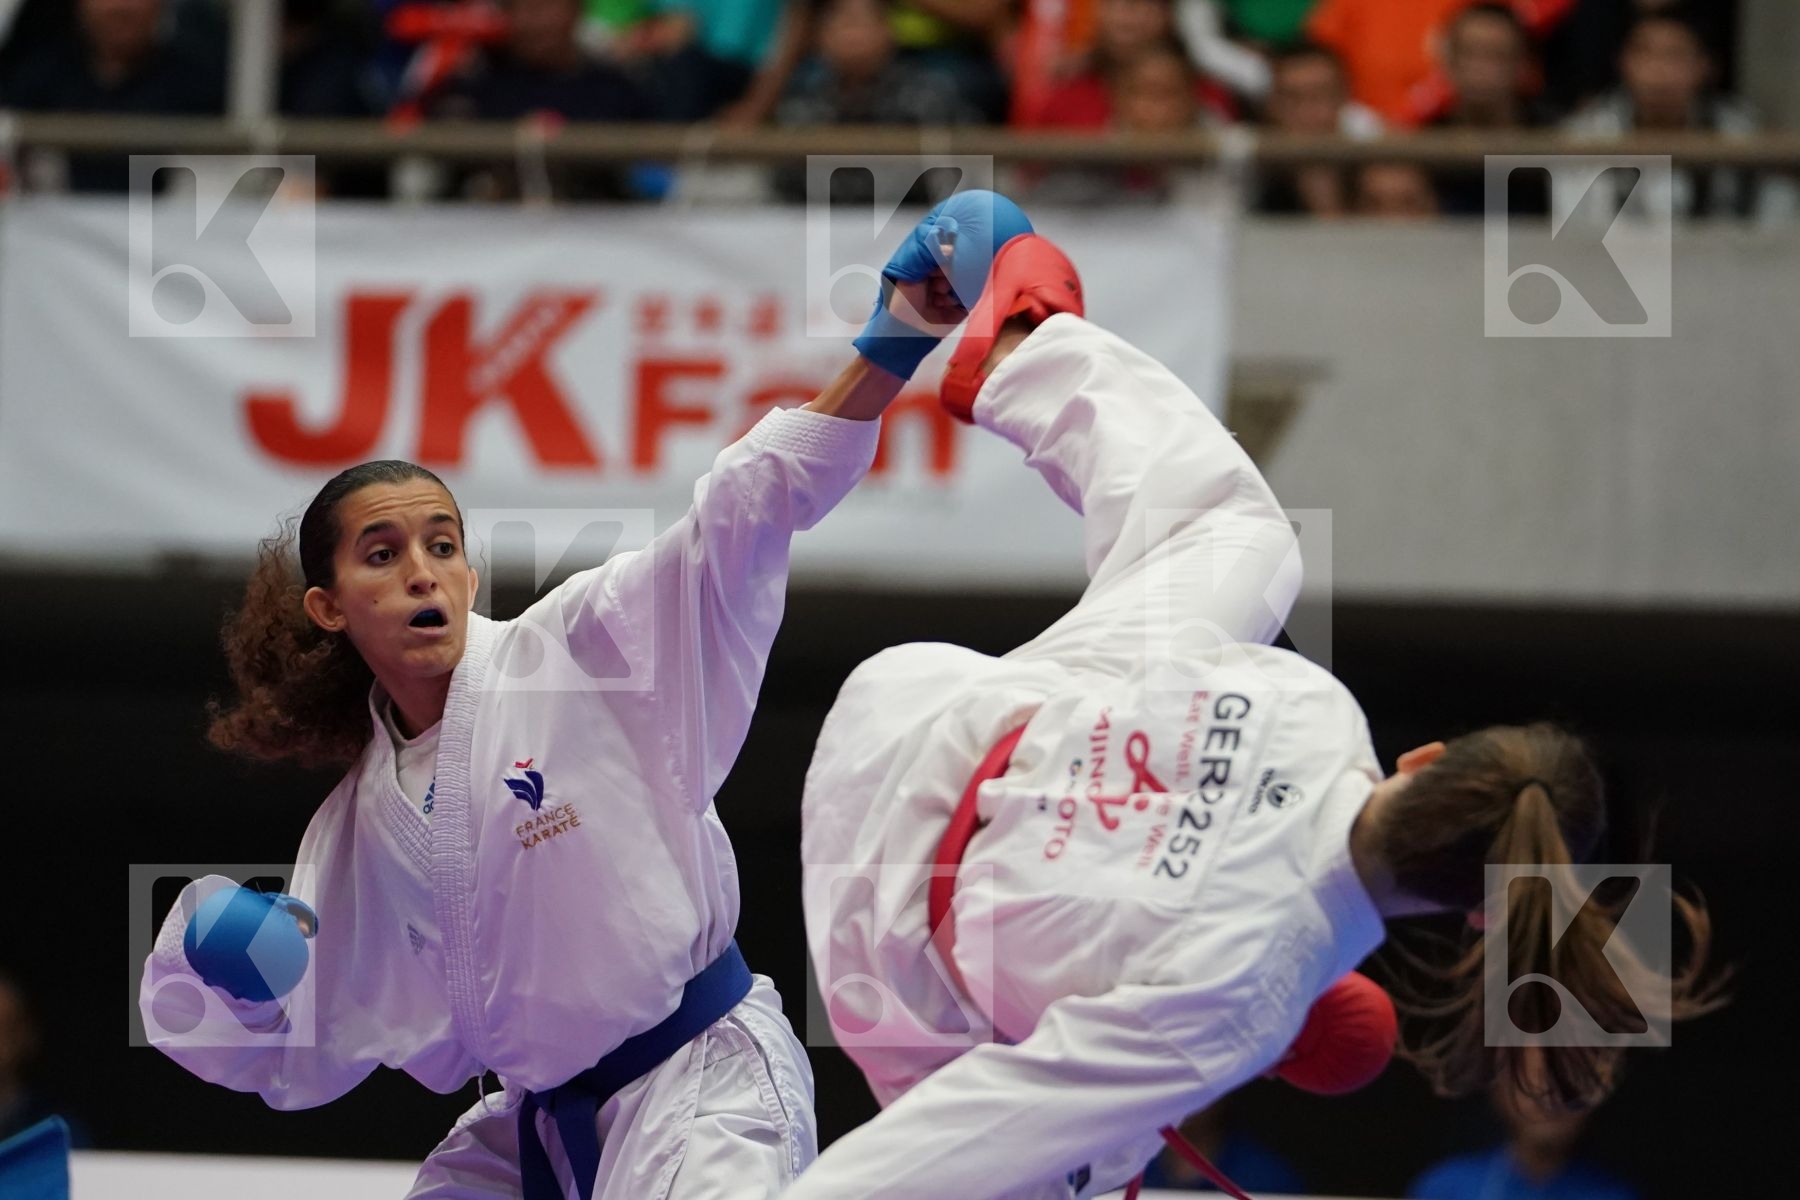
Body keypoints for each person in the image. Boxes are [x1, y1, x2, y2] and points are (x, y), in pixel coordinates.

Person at [784, 233, 1722, 1200]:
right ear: (1482, 909)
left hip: (916, 708)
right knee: (1073, 1151)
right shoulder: (1244, 996)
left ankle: (1026, 347)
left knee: (1241, 540)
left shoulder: (1315, 705)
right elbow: (959, 1138)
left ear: (1427, 760)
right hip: (885, 942)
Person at [138, 193, 1035, 1200]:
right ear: (329, 605)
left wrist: (899, 331)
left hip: (700, 1088)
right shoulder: (350, 829)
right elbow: (287, 1049)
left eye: (443, 546)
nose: (424, 574)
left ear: (473, 576)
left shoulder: (576, 650)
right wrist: (211, 963)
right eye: (382, 556)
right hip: (540, 1124)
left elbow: (737, 514)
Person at [1561, 7, 1798, 223]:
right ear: (1623, 62)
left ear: (1704, 66)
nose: (1658, 70)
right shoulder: (1585, 135)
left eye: (1675, 55)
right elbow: (1572, 225)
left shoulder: (1743, 136)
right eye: (1645, 53)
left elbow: (1779, 216)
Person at [1408, 1051, 1640, 1200]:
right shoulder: (1445, 1188)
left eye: (1568, 1085)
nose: (1552, 1100)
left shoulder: (1613, 1196)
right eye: (1536, 1083)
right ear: (1500, 1089)